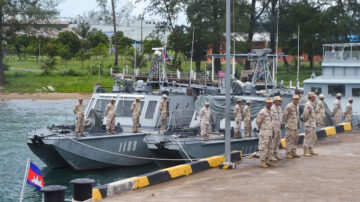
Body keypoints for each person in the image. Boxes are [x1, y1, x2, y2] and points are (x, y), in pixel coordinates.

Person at [256, 97, 274, 168]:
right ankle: (262, 161)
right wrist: (262, 129)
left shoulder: (271, 111)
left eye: (270, 103)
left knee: (269, 147)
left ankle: (267, 160)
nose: (269, 104)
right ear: (266, 103)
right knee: (263, 147)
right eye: (268, 103)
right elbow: (258, 121)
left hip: (270, 132)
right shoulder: (262, 112)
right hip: (264, 133)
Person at [283, 94, 301, 159]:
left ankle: (293, 151)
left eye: (297, 99)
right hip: (290, 126)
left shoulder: (297, 106)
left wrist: (298, 124)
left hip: (295, 125)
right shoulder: (289, 106)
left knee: (295, 139)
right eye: (295, 99)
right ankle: (288, 153)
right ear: (292, 99)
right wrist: (288, 122)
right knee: (289, 139)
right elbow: (285, 115)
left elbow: (297, 116)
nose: (296, 100)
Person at [302, 92, 318, 157]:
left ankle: (311, 149)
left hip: (312, 123)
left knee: (313, 137)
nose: (315, 98)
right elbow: (305, 114)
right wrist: (305, 121)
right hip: (309, 123)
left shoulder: (311, 104)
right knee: (308, 137)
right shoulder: (308, 104)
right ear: (311, 97)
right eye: (314, 97)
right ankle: (306, 151)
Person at [270, 96, 282, 161]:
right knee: (273, 142)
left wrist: (280, 124)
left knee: (278, 141)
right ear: (275, 101)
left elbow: (280, 117)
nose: (280, 102)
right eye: (278, 101)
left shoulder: (279, 108)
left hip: (278, 126)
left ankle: (276, 154)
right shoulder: (272, 108)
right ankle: (271, 155)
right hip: (274, 127)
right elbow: (271, 119)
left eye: (280, 101)